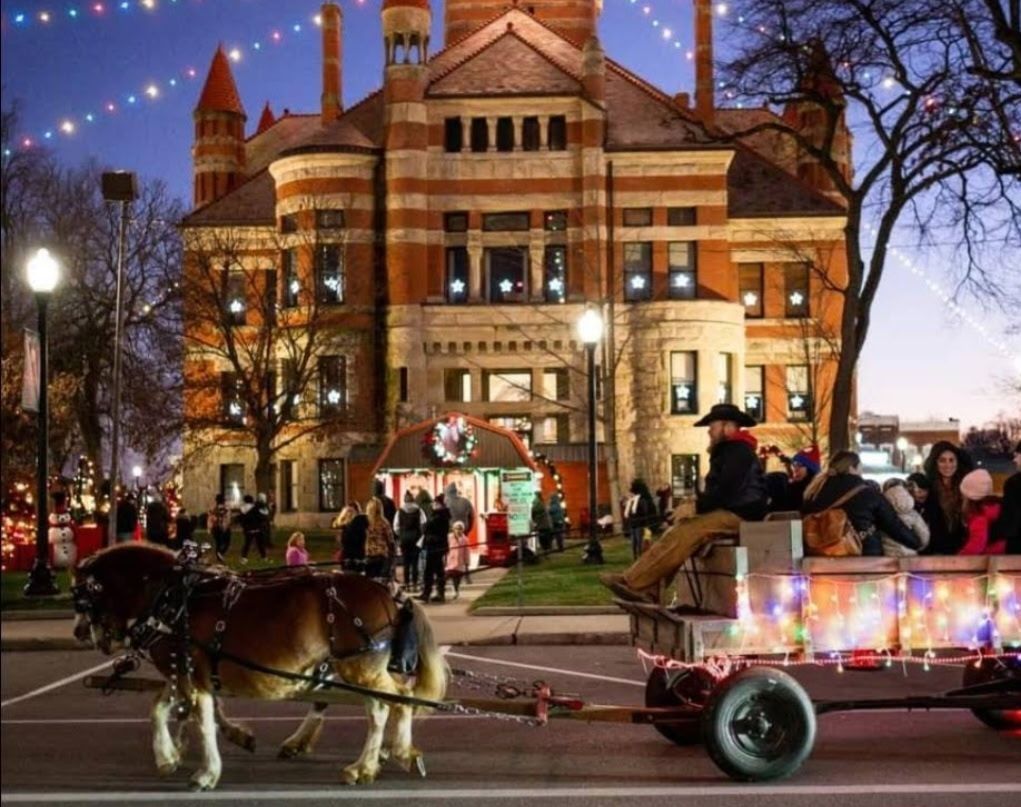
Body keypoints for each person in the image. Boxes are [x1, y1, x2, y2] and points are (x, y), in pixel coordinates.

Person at [600, 403, 768, 603]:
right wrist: (694, 504)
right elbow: (719, 492)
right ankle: (650, 588)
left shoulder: (738, 451)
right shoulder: (729, 451)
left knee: (689, 530)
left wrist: (696, 507)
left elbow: (727, 491)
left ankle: (634, 582)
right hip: (730, 511)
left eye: (712, 427)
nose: (709, 431)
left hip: (742, 514)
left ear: (728, 426)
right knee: (678, 530)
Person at [801, 451, 921, 556]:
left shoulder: (814, 492)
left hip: (821, 557)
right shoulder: (867, 493)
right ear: (852, 468)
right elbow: (893, 525)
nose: (861, 472)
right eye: (860, 468)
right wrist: (915, 542)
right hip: (863, 556)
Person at [922, 441, 974, 554]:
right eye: (942, 460)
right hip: (934, 551)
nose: (948, 465)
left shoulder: (966, 486)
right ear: (935, 462)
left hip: (963, 550)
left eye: (951, 460)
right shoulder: (928, 487)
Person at [957, 469, 1005, 555]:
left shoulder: (979, 516)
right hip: (1002, 559)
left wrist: (958, 560)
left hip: (988, 562)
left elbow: (976, 545)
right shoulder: (997, 508)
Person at [881, 483, 930, 556]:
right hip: (909, 554)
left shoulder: (883, 514)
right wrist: (920, 547)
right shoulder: (913, 515)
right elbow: (924, 534)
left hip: (888, 555)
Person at [419, 494, 451, 603]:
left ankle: (428, 593)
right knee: (438, 570)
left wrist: (425, 528)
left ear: (440, 504)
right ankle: (438, 593)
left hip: (435, 546)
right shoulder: (442, 515)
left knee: (430, 570)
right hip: (438, 545)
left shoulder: (439, 516)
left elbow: (427, 527)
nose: (433, 505)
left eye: (435, 503)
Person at [992, 442, 1021, 554]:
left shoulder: (1014, 483)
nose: (1015, 460)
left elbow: (1010, 521)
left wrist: (992, 534)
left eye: (1017, 455)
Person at [394, 491, 426, 590]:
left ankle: (407, 584)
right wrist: (421, 535)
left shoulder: (399, 511)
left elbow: (396, 526)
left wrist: (401, 535)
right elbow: (423, 523)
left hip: (404, 540)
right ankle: (415, 584)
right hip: (416, 539)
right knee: (415, 563)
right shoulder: (419, 510)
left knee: (406, 563)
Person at [623, 479, 659, 559]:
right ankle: (637, 557)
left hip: (643, 524)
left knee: (642, 542)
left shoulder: (643, 499)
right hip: (636, 524)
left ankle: (642, 557)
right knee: (635, 542)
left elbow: (646, 512)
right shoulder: (636, 499)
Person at [364, 497, 397, 579]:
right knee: (381, 581)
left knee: (370, 582)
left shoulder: (365, 522)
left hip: (369, 555)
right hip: (382, 555)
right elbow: (390, 539)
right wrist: (392, 554)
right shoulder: (383, 522)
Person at [336, 505, 369, 572]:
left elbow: (343, 543)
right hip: (360, 555)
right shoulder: (361, 526)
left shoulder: (345, 530)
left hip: (348, 557)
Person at [446, 520, 471, 599]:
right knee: (446, 576)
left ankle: (456, 591)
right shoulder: (449, 537)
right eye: (457, 528)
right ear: (453, 529)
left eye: (460, 529)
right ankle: (441, 591)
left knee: (457, 580)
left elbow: (467, 553)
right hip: (449, 562)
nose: (458, 530)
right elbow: (445, 549)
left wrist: (467, 564)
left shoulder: (465, 540)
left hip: (460, 563)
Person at [239, 494, 267, 563]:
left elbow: (241, 520)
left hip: (248, 529)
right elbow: (261, 517)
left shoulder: (242, 509)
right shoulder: (256, 508)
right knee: (260, 544)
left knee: (247, 544)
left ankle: (244, 557)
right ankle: (264, 557)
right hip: (257, 528)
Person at [208, 493, 232, 561]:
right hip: (224, 527)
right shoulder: (226, 508)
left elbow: (210, 518)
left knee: (218, 542)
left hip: (215, 527)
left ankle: (219, 555)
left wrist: (210, 528)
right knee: (227, 542)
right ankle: (220, 553)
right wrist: (226, 526)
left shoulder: (213, 508)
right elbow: (228, 518)